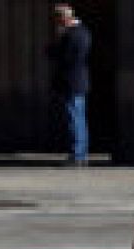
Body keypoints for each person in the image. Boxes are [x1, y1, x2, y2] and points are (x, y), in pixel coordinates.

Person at [46, 3, 91, 166]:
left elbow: (61, 56)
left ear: (64, 18)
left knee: (74, 118)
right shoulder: (84, 32)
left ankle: (77, 155)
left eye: (58, 18)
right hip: (78, 82)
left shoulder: (72, 34)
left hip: (71, 82)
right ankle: (81, 153)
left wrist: (57, 41)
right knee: (79, 118)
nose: (56, 22)